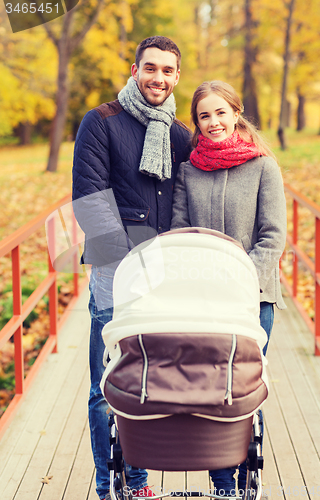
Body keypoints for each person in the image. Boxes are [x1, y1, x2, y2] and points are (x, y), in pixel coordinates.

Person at [72, 36, 192, 500]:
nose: (158, 78)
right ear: (135, 69)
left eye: (167, 70)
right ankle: (109, 487)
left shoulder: (180, 134)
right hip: (114, 271)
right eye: (150, 68)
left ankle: (138, 483)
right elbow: (90, 200)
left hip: (166, 271)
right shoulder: (101, 122)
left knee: (151, 379)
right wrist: (132, 263)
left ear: (177, 76)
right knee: (108, 384)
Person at [171, 80, 287, 496]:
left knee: (242, 393)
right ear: (197, 124)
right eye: (204, 116)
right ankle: (222, 484)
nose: (214, 122)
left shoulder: (262, 166)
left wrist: (238, 284)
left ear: (236, 113)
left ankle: (245, 478)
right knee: (209, 392)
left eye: (221, 112)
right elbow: (180, 231)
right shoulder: (189, 169)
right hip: (203, 301)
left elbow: (272, 238)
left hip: (253, 299)